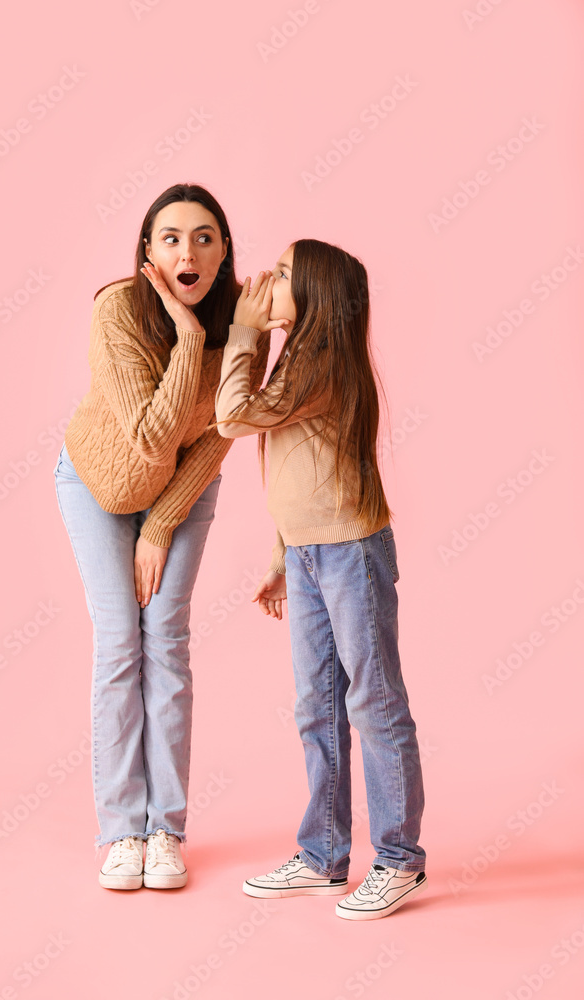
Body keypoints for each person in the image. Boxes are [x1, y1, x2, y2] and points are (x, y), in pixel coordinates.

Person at [54, 183, 269, 890]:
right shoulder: (115, 308)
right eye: (171, 237)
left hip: (182, 491)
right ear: (147, 251)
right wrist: (185, 336)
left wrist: (162, 526)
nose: (189, 250)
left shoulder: (243, 329)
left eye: (205, 236)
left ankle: (165, 831)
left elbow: (217, 436)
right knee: (120, 640)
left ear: (224, 249)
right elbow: (148, 439)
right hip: (97, 486)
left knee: (165, 642)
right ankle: (121, 833)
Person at [214, 239, 427, 920]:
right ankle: (322, 856)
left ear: (312, 296)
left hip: (350, 554)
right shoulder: (302, 360)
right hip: (311, 554)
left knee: (373, 704)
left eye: (281, 274)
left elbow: (230, 417)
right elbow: (299, 470)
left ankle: (397, 861)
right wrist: (283, 556)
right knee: (316, 706)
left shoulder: (322, 364)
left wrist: (243, 332)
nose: (266, 280)